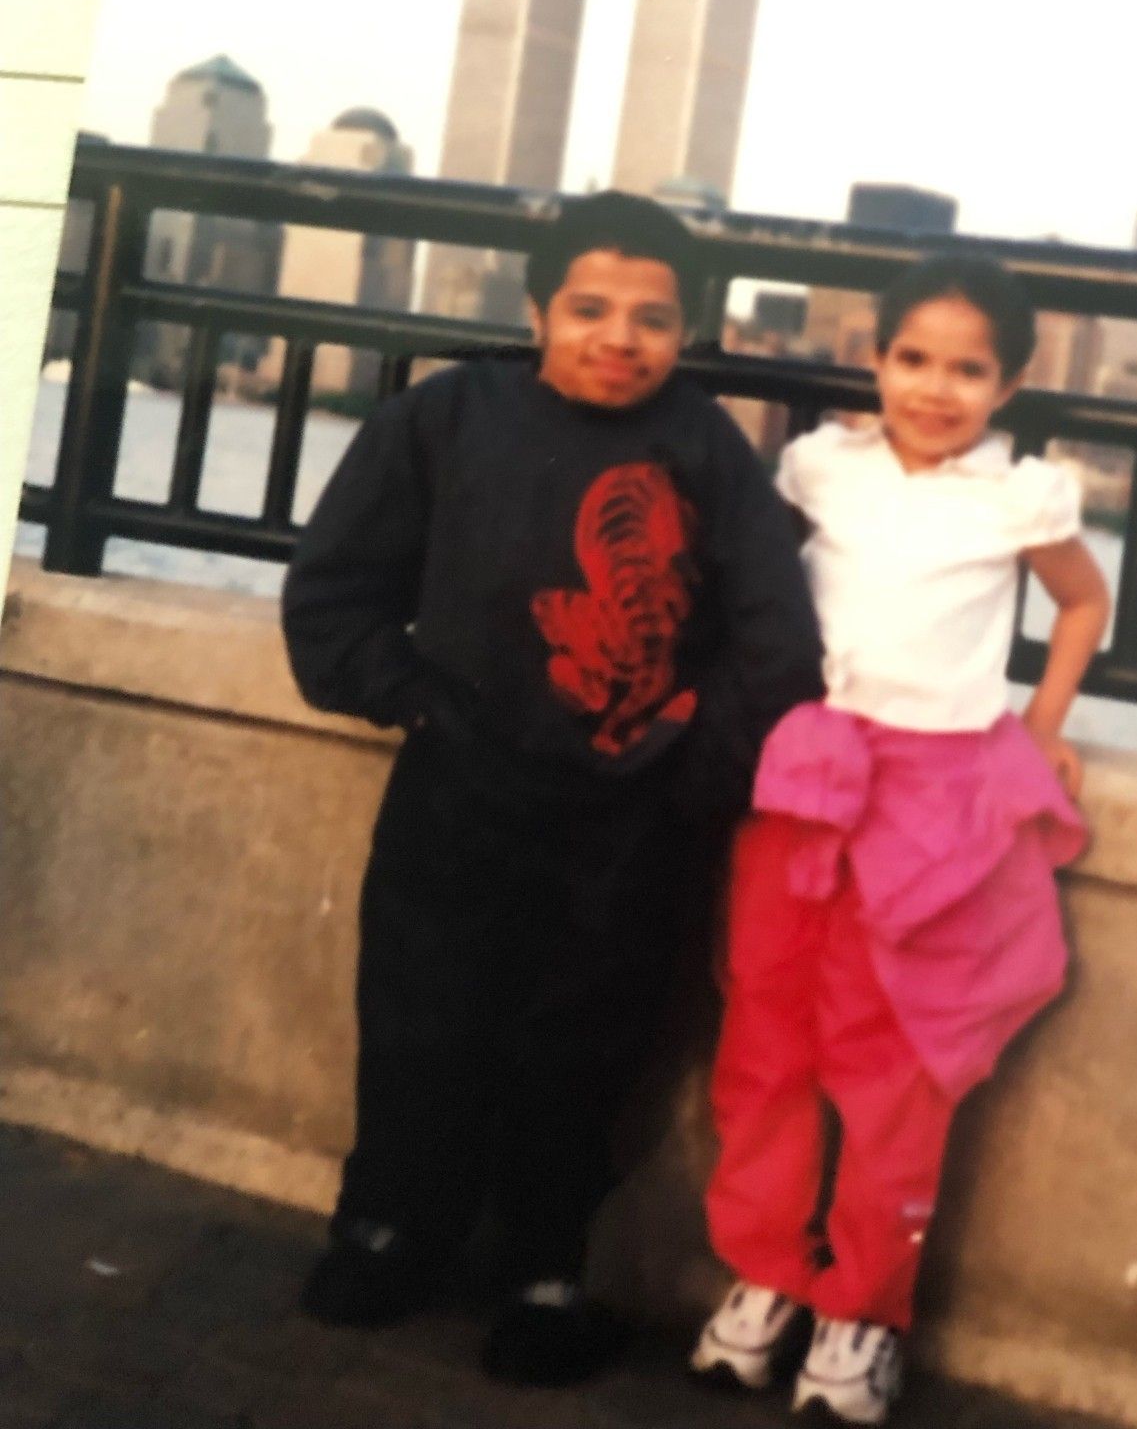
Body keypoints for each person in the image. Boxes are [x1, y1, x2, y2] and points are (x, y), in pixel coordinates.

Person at [281, 190, 823, 1385]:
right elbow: (333, 594)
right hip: (457, 786)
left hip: (630, 819)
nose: (618, 336)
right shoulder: (444, 417)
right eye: (589, 307)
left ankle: (543, 1268)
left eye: (652, 317)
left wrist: (688, 771)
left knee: (584, 1043)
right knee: (421, 1015)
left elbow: (776, 642)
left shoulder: (707, 451)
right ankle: (386, 1232)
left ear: (690, 331)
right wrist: (420, 698)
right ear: (536, 310)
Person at [691, 253, 1111, 1424]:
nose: (936, 388)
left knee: (894, 1061)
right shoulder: (822, 464)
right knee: (766, 1028)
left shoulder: (1018, 498)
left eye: (968, 369)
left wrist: (1038, 725)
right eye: (913, 359)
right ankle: (766, 1270)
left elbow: (1085, 600)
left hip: (934, 794)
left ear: (1008, 383)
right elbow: (755, 590)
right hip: (808, 771)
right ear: (875, 359)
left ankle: (862, 1309)